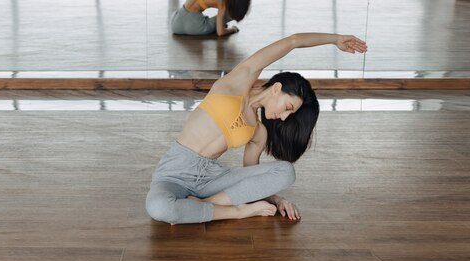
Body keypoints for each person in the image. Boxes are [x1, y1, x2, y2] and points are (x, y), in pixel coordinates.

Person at [146, 33, 367, 224]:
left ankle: (204, 206)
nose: (283, 117)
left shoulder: (259, 132)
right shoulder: (234, 85)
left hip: (212, 180)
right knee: (159, 208)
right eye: (287, 107)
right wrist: (335, 39)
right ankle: (236, 213)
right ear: (277, 89)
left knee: (286, 171)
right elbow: (293, 41)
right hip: (174, 172)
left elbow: (250, 181)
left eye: (289, 115)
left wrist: (278, 200)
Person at [171, 0, 251, 36]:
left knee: (176, 13)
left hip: (176, 25)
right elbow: (220, 33)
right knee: (229, 15)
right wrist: (233, 29)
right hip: (196, 28)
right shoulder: (222, 2)